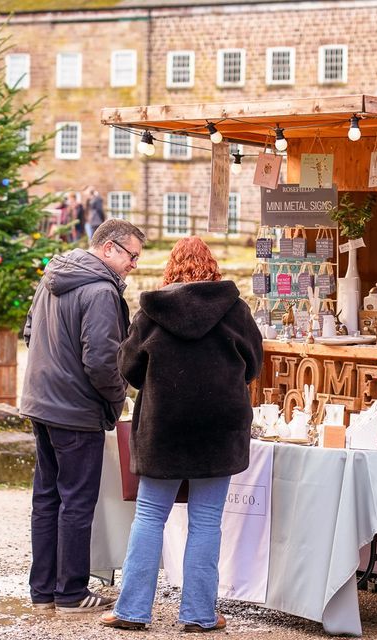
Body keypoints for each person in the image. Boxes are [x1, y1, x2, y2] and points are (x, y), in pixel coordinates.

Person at [100, 237, 263, 632]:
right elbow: (254, 364)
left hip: (163, 429)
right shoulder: (235, 311)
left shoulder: (152, 312)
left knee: (150, 517)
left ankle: (132, 611)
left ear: (171, 268)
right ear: (213, 267)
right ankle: (199, 615)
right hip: (219, 430)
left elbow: (129, 367)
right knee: (206, 522)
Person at [20, 219, 145, 613]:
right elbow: (102, 361)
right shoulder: (100, 291)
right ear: (108, 248)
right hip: (76, 409)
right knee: (75, 501)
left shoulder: (53, 276)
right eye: (132, 256)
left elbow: (28, 331)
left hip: (41, 402)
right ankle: (71, 593)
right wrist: (117, 399)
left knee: (47, 498)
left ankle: (43, 592)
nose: (134, 265)